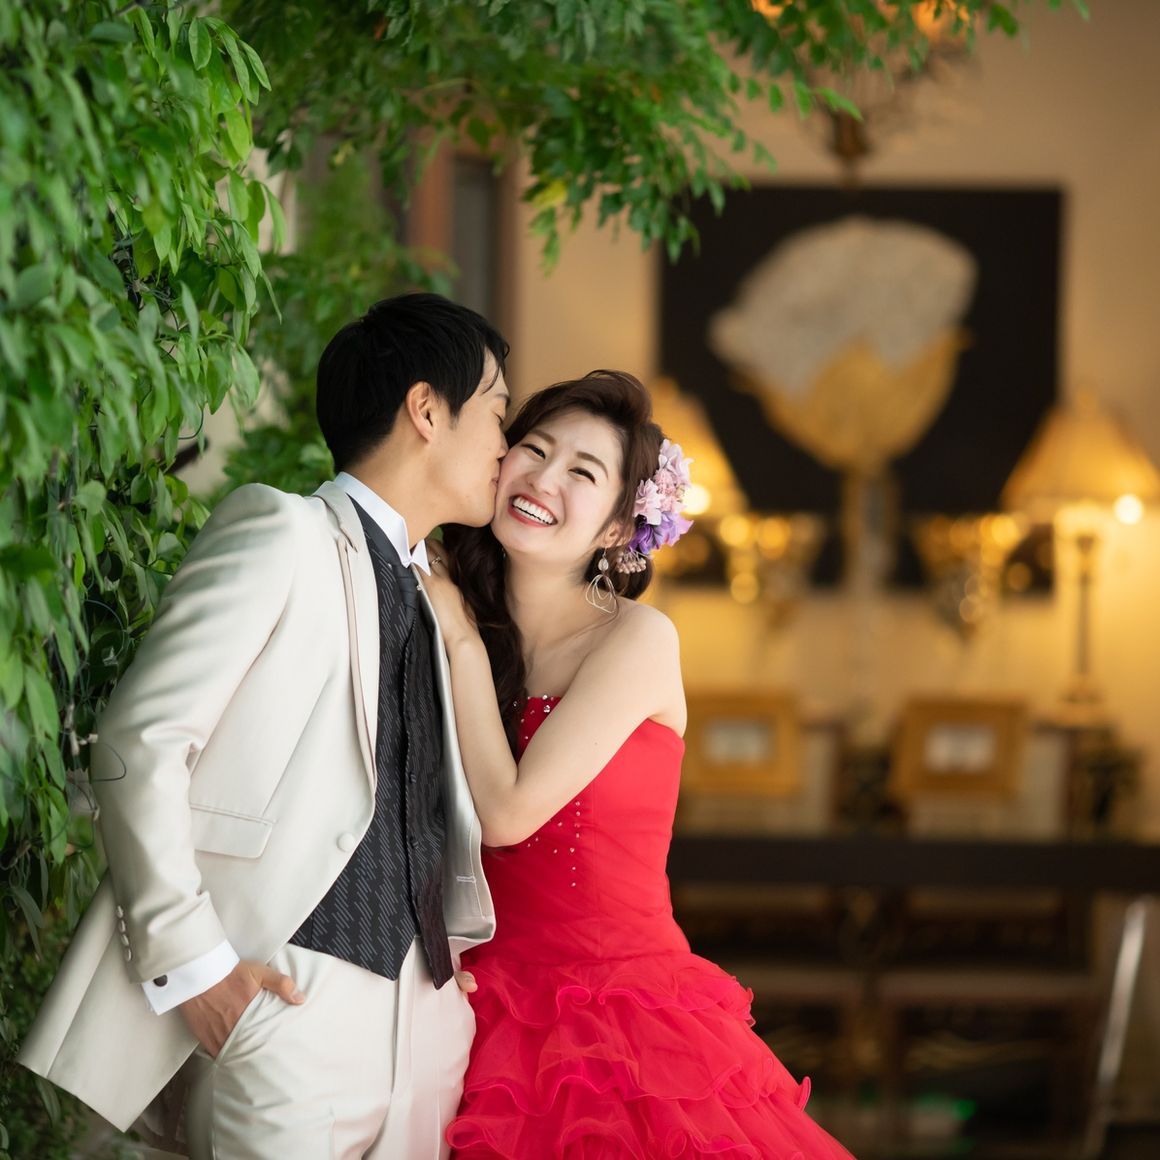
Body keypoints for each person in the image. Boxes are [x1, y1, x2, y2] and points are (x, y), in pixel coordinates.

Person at [19, 293, 508, 1159]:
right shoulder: (285, 533)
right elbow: (140, 744)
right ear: (428, 410)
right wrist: (196, 966)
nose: (506, 445)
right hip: (288, 1009)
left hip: (429, 1026)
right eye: (499, 411)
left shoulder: (437, 600)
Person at [422, 370, 856, 1159]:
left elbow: (510, 814)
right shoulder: (453, 614)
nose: (544, 479)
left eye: (582, 472)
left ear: (619, 527)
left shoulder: (637, 639)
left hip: (614, 1012)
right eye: (535, 449)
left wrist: (459, 644)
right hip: (472, 996)